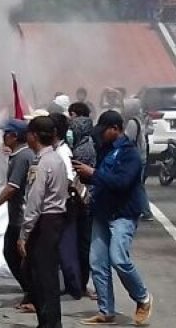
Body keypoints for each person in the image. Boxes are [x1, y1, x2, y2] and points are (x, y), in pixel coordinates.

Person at [74, 111, 153, 326]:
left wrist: (93, 174)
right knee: (97, 262)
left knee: (119, 259)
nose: (101, 135)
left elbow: (122, 183)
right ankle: (106, 310)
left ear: (116, 129)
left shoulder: (130, 155)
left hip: (123, 214)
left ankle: (143, 298)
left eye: (104, 130)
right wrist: (82, 175)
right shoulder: (104, 150)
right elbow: (99, 179)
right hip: (102, 212)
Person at [18, 116, 69, 328]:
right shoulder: (56, 158)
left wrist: (24, 234)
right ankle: (49, 321)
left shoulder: (41, 163)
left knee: (42, 276)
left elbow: (35, 200)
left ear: (35, 136)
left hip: (44, 222)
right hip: (55, 220)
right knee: (44, 274)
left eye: (28, 134)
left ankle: (49, 323)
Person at [0, 118, 35, 311]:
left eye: (6, 133)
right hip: (18, 216)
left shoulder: (22, 157)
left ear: (14, 136)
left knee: (15, 255)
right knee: (16, 256)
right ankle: (30, 293)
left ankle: (33, 294)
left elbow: (13, 187)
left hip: (21, 217)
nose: (3, 137)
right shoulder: (22, 155)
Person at [51, 113, 82, 299]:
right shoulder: (56, 150)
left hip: (64, 205)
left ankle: (74, 287)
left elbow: (70, 179)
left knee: (66, 247)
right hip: (59, 205)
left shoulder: (62, 153)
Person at [68, 105, 97, 297]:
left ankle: (81, 283)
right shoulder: (83, 143)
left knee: (83, 244)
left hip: (85, 202)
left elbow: (80, 176)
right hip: (83, 201)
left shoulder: (84, 149)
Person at [123, 98, 153, 221]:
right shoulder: (138, 120)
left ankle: (146, 211)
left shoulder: (132, 123)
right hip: (141, 156)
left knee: (137, 186)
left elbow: (128, 139)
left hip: (136, 158)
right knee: (137, 185)